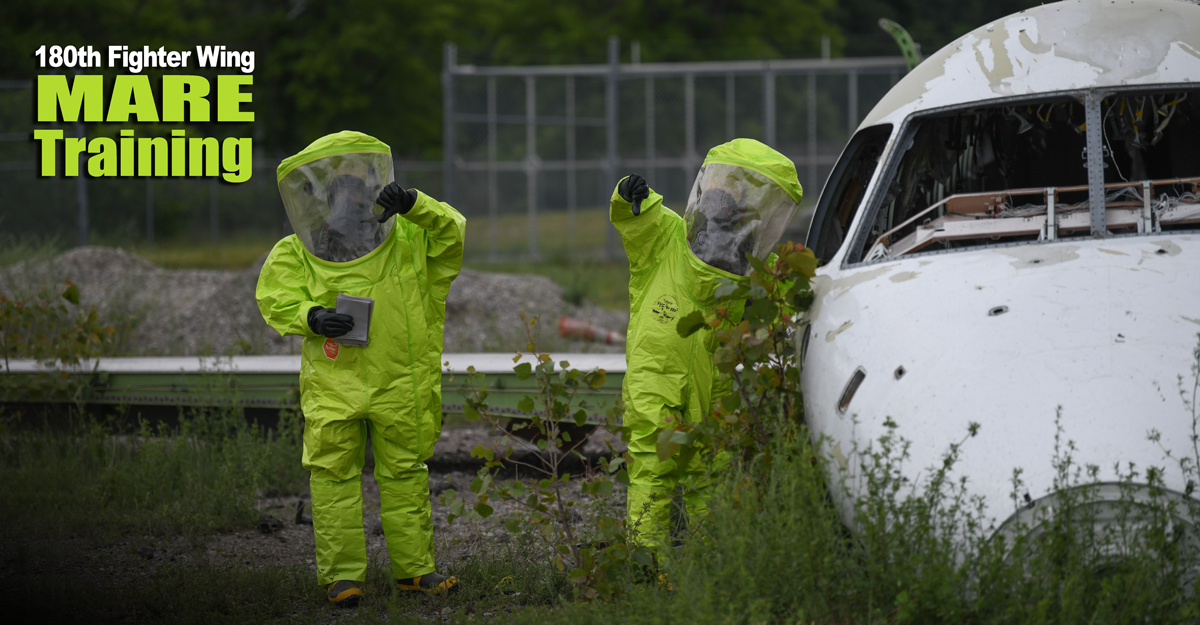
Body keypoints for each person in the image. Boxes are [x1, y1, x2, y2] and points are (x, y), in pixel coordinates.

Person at [256, 131, 466, 607]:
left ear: (374, 190)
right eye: (341, 189)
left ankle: (416, 572)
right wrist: (312, 317)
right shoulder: (298, 250)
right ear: (328, 195)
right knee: (332, 477)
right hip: (335, 383)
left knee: (406, 474)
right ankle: (341, 578)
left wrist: (415, 204)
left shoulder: (411, 239)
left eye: (358, 187)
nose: (350, 198)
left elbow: (452, 233)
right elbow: (275, 295)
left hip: (400, 379)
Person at [611, 138, 803, 549]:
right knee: (652, 462)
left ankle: (706, 560)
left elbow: (788, 296)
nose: (721, 211)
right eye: (718, 198)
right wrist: (630, 192)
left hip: (711, 379)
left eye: (734, 204)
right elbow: (636, 218)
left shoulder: (751, 263)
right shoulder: (666, 236)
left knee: (710, 468)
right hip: (656, 372)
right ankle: (648, 562)